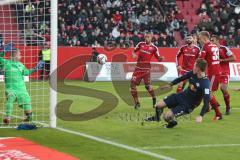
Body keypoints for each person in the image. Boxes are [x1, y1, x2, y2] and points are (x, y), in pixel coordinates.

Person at [146, 59, 210, 128]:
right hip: (181, 96)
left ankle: (172, 123)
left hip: (188, 105)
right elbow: (181, 78)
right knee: (158, 106)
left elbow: (206, 101)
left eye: (194, 65)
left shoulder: (205, 84)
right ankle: (157, 118)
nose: (193, 67)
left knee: (166, 117)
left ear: (198, 69)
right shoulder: (192, 73)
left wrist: (201, 116)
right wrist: (170, 84)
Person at [0, 43, 44, 125]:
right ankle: (7, 117)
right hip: (11, 88)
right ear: (15, 55)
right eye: (20, 54)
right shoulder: (6, 63)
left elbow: (26, 72)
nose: (21, 56)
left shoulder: (21, 65)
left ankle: (28, 117)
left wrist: (35, 68)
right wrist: (4, 51)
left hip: (22, 89)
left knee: (27, 104)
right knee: (10, 98)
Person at [130, 33, 164, 111]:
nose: (146, 38)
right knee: (132, 85)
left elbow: (158, 58)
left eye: (148, 37)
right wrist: (134, 54)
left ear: (151, 38)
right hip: (138, 69)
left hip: (146, 70)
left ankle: (154, 98)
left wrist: (161, 59)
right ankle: (137, 103)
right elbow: (133, 51)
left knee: (147, 86)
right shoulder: (140, 44)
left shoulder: (154, 48)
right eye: (145, 37)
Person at [198, 31, 222, 120]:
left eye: (199, 38)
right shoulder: (214, 45)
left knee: (209, 93)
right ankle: (209, 107)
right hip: (215, 72)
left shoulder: (206, 46)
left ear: (204, 38)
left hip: (213, 73)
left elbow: (201, 60)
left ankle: (218, 114)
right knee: (207, 91)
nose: (199, 40)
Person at [211, 35, 236, 115]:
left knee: (223, 88)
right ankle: (215, 104)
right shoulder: (210, 49)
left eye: (213, 40)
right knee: (209, 91)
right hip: (214, 72)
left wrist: (222, 60)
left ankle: (228, 107)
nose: (211, 42)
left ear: (218, 40)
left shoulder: (224, 48)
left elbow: (234, 58)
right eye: (211, 40)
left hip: (224, 72)